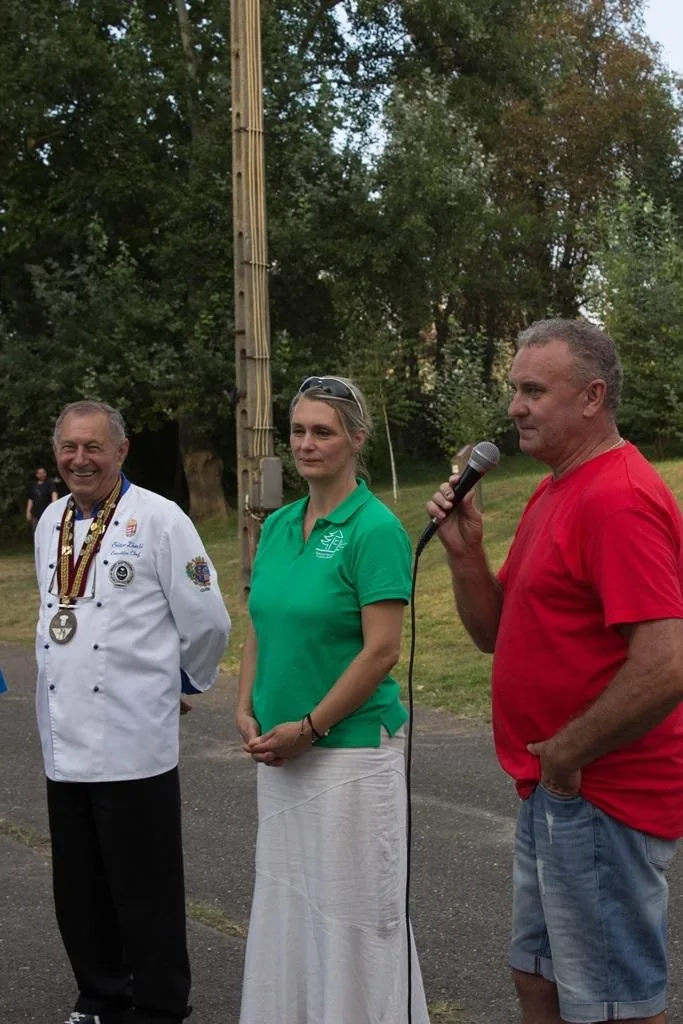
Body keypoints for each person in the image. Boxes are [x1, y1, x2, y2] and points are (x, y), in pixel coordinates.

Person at [427, 319, 683, 1024]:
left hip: (601, 793)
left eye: (533, 390)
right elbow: (492, 634)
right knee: (536, 980)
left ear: (592, 396)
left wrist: (568, 755)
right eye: (514, 389)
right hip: (555, 788)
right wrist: (464, 552)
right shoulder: (556, 490)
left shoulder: (616, 498)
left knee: (611, 1004)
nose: (514, 407)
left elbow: (666, 665)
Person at [236, 375, 430, 1024]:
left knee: (351, 918)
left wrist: (310, 728)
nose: (307, 443)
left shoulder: (373, 529)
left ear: (355, 438)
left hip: (347, 754)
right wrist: (246, 705)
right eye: (297, 431)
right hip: (282, 754)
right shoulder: (281, 523)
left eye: (322, 431)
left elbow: (380, 651)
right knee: (290, 907)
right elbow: (262, 623)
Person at [34, 400, 231, 1024]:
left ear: (121, 451)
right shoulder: (51, 522)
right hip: (64, 740)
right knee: (80, 887)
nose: (79, 459)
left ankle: (159, 1005)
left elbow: (208, 621)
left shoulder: (159, 519)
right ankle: (98, 995)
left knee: (145, 889)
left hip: (133, 739)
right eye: (69, 447)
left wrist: (177, 682)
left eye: (93, 447)